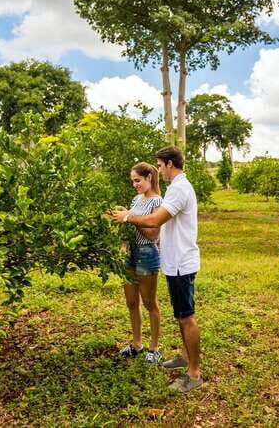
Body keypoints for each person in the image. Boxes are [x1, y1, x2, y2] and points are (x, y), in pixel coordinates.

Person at [110, 146, 203, 393]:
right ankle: (184, 357)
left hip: (182, 262)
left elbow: (153, 222)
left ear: (170, 164)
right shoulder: (176, 189)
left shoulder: (179, 189)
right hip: (174, 262)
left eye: (160, 165)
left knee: (186, 317)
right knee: (181, 316)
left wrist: (127, 217)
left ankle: (193, 374)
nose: (158, 169)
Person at [117, 162, 164, 365]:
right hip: (130, 252)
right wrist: (122, 217)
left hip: (147, 253)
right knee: (131, 302)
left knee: (149, 302)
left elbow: (153, 234)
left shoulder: (158, 202)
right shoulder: (136, 199)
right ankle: (137, 344)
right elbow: (131, 225)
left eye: (138, 180)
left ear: (149, 178)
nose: (135, 184)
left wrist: (129, 217)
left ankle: (155, 348)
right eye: (133, 181)